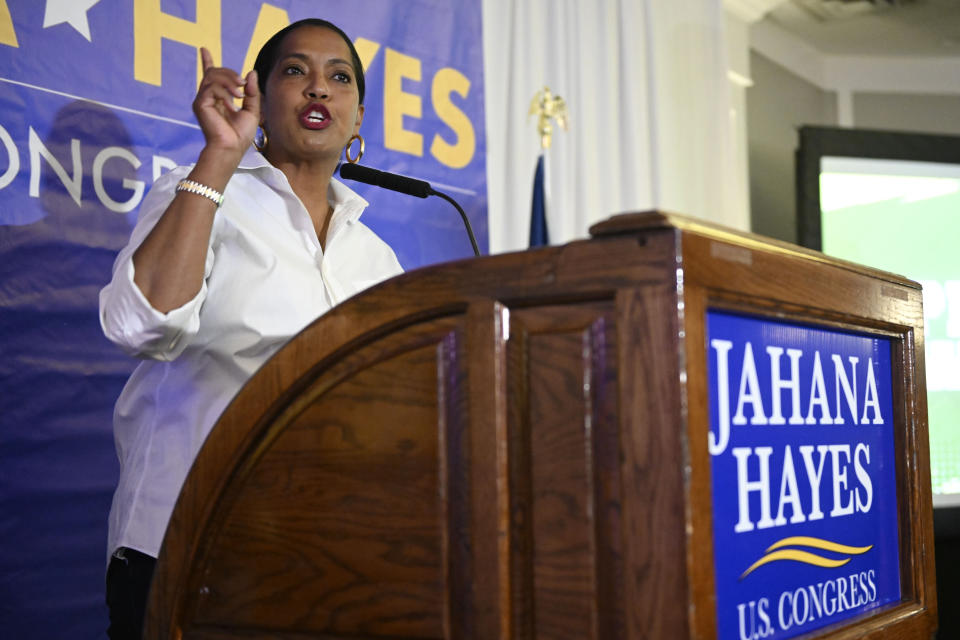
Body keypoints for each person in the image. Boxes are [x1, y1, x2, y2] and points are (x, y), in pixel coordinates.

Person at [98, 19, 402, 639]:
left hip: (325, 557)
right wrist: (218, 155)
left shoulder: (377, 260)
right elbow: (139, 325)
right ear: (257, 98)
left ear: (359, 117)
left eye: (338, 78)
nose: (319, 89)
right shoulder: (203, 194)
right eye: (296, 72)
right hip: (188, 546)